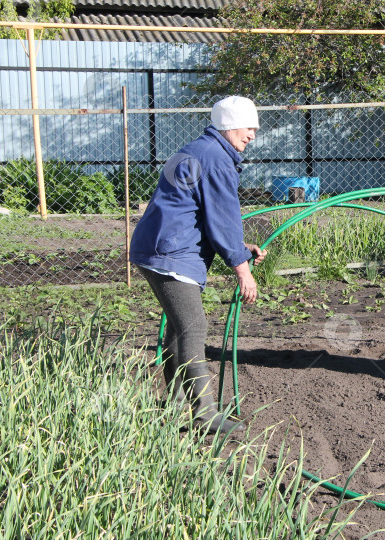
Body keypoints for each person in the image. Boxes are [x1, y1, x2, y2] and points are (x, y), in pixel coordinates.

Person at [130, 96, 266, 433]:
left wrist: (239, 248)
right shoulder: (216, 158)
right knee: (193, 327)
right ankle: (205, 415)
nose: (252, 135)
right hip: (170, 253)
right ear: (229, 124)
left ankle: (175, 405)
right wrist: (243, 271)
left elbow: (197, 211)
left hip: (161, 246)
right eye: (248, 127)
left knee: (179, 329)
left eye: (254, 128)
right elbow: (223, 218)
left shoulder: (200, 150)